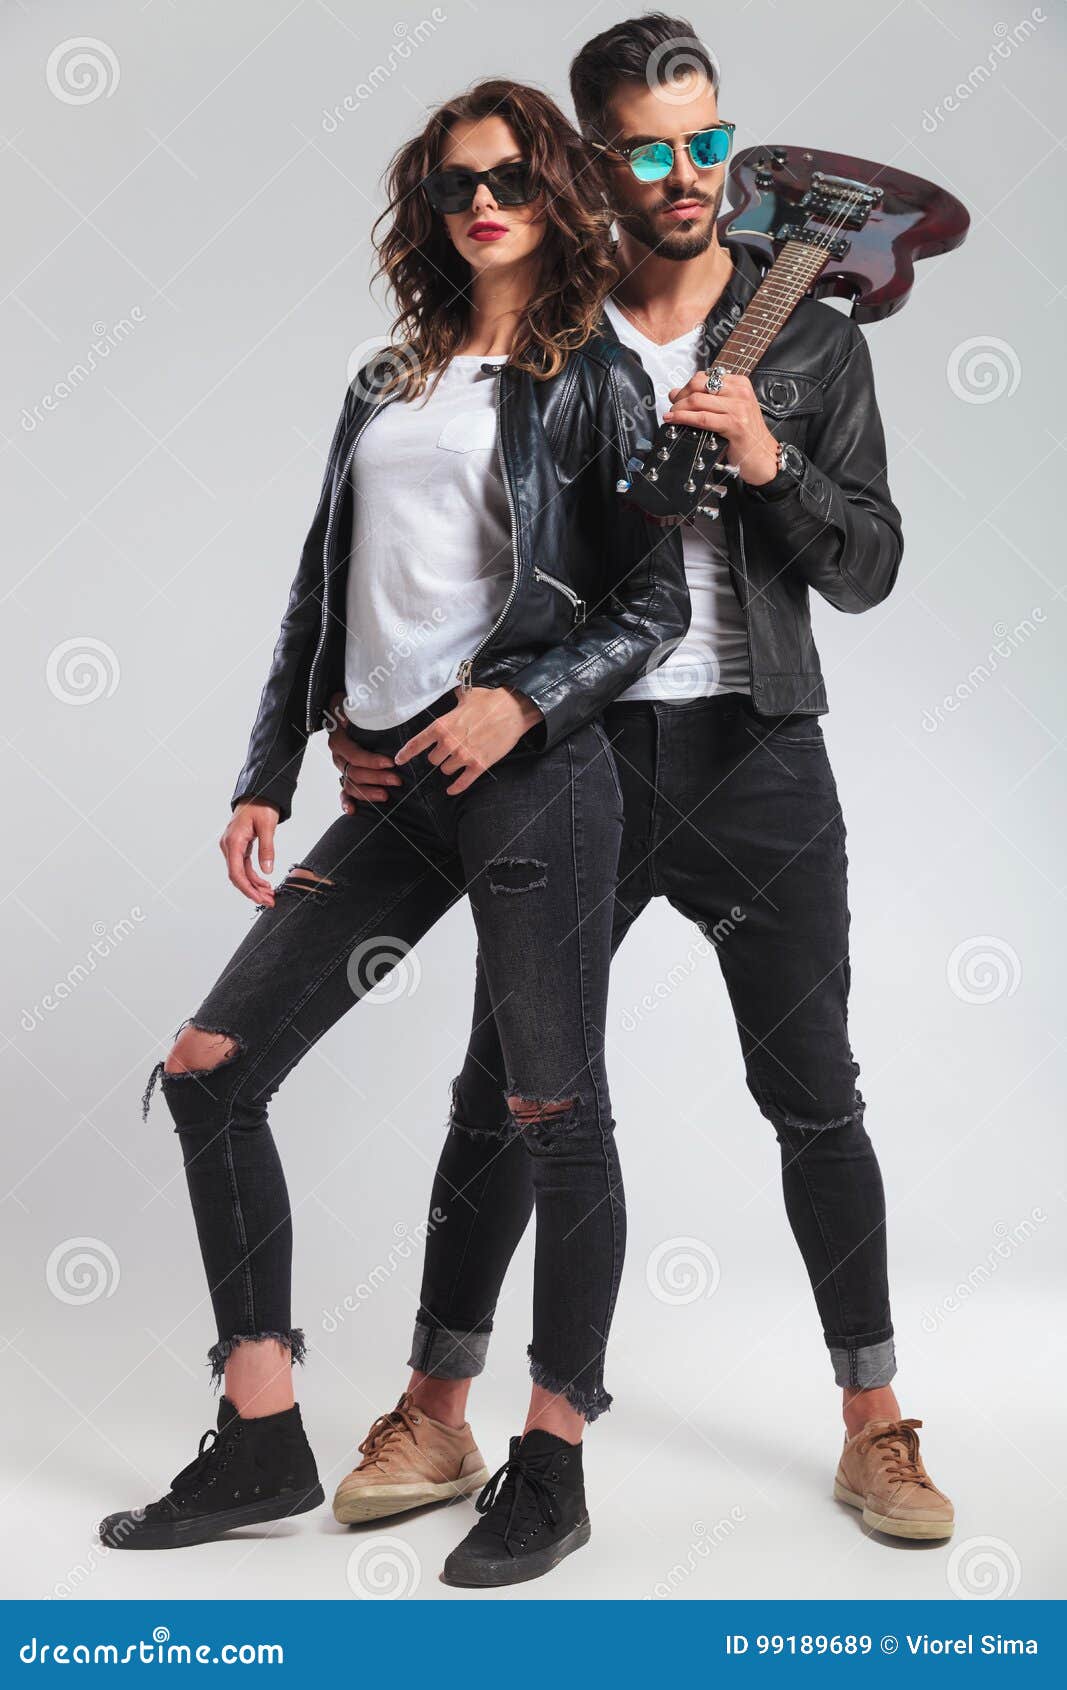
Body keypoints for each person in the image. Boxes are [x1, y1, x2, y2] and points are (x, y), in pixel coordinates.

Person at [329, 15, 955, 1547]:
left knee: (815, 1095)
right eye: (648, 148)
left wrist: (768, 462)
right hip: (575, 752)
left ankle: (876, 1424)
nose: (686, 174)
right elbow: (438, 543)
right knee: (505, 1088)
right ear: (593, 164)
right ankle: (439, 1406)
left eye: (707, 139)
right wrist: (368, 712)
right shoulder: (544, 331)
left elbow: (868, 563)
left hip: (761, 756)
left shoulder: (808, 333)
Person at [97, 78, 688, 1587]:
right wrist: (269, 765)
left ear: (555, 193)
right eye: (450, 186)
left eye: (503, 177)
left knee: (554, 1111)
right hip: (388, 787)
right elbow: (323, 583)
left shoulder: (596, 374)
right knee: (210, 1073)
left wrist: (524, 705)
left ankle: (551, 1457)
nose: (477, 203)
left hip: (533, 776)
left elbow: (651, 601)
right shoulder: (389, 377)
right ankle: (262, 1427)